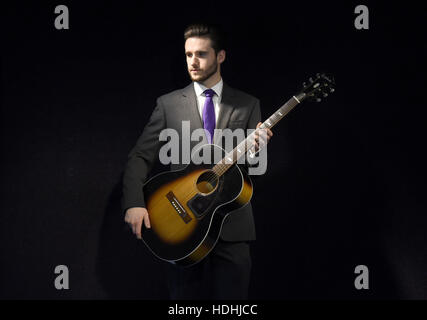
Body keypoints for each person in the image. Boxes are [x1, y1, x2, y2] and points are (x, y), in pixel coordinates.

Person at [122, 23, 272, 299]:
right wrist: (134, 202)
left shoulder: (248, 103)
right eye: (188, 54)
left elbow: (255, 170)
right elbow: (140, 155)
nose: (193, 61)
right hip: (180, 228)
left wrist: (257, 149)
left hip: (232, 226)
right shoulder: (167, 104)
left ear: (221, 56)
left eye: (201, 54)